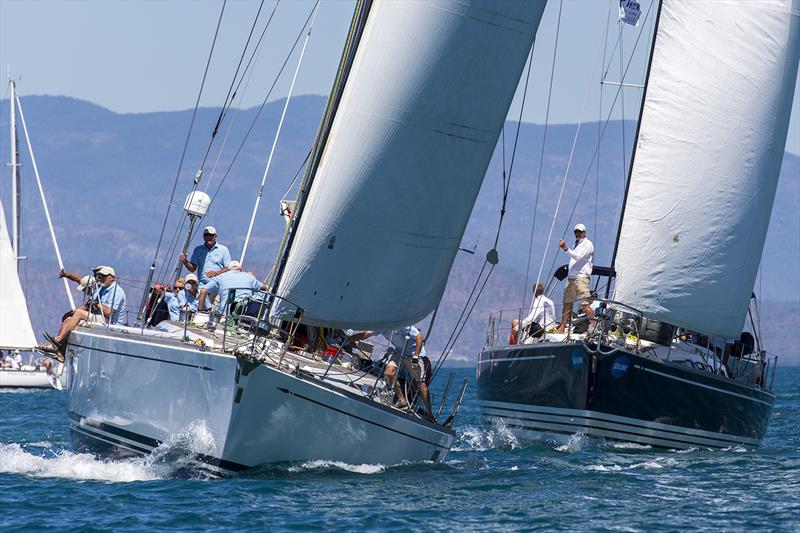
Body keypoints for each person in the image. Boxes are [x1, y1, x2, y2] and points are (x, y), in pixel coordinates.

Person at [347, 326, 435, 422]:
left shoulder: (404, 325)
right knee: (389, 373)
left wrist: (416, 356)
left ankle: (430, 414)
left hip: (413, 354)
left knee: (420, 384)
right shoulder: (382, 325)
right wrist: (347, 339)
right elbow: (364, 335)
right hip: (399, 351)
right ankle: (402, 400)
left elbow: (419, 337)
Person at [42, 266, 127, 360]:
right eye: (99, 276)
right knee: (68, 320)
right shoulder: (101, 288)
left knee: (79, 314)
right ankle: (58, 349)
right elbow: (78, 280)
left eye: (103, 276)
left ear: (112, 278)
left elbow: (109, 312)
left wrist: (97, 305)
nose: (100, 278)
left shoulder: (117, 291)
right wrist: (65, 274)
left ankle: (58, 340)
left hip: (109, 322)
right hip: (101, 318)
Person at [556, 223, 594, 333]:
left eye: (580, 231)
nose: (578, 233)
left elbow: (578, 257)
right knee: (567, 303)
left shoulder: (588, 244)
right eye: (576, 231)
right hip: (572, 278)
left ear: (584, 233)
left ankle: (595, 326)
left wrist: (566, 248)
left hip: (581, 278)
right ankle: (562, 326)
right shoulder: (576, 244)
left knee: (585, 304)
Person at [197, 261, 266, 315]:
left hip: (224, 313)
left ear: (228, 269)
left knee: (216, 311)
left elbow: (203, 291)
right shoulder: (249, 277)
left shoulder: (220, 277)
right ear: (240, 269)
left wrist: (200, 311)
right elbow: (264, 287)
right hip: (243, 314)